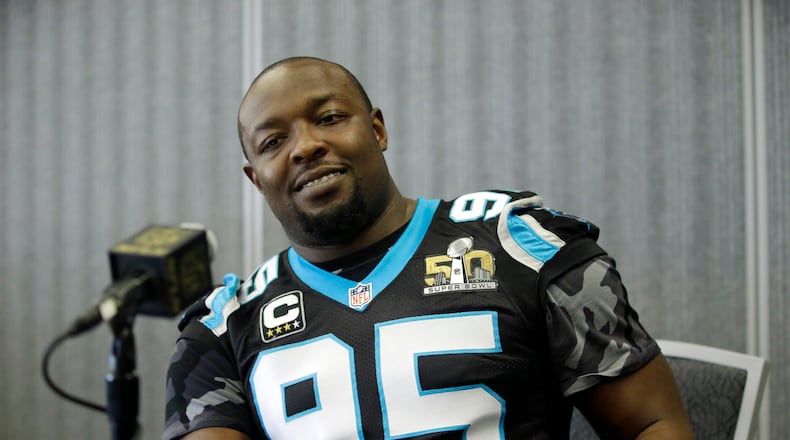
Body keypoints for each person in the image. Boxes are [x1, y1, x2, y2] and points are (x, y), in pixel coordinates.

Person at [163, 56, 693, 440]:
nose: (306, 147)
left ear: (377, 130)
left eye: (328, 118)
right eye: (273, 142)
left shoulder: (524, 248)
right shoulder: (223, 329)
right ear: (256, 179)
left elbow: (651, 424)